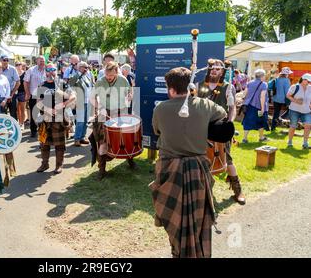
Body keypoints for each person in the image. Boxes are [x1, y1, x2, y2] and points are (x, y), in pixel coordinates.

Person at [150, 67, 227, 258]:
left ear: (170, 88)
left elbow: (157, 131)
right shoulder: (205, 105)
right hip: (197, 171)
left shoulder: (160, 108)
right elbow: (223, 115)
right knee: (198, 219)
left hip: (170, 170)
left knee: (174, 219)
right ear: (190, 86)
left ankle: (178, 252)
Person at [197, 59, 245, 205]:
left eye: (217, 69)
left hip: (220, 127)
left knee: (227, 159)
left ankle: (238, 190)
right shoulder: (199, 85)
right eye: (212, 68)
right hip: (201, 128)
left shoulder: (227, 87)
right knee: (200, 158)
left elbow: (232, 108)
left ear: (222, 71)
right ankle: (202, 191)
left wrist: (229, 123)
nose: (214, 71)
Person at [90, 61, 134, 180]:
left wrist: (130, 96)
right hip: (105, 112)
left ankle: (130, 161)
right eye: (107, 75)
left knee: (124, 138)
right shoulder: (100, 81)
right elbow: (92, 97)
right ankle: (102, 169)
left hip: (121, 112)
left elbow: (130, 92)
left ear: (116, 72)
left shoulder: (123, 80)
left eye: (111, 76)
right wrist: (98, 109)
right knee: (103, 141)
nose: (109, 78)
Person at [36, 63, 76, 174]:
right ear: (45, 72)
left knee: (60, 144)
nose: (51, 72)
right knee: (44, 144)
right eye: (48, 70)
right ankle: (44, 164)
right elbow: (38, 102)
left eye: (53, 69)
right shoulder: (42, 85)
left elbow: (73, 96)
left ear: (56, 71)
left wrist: (63, 104)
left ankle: (59, 165)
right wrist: (47, 109)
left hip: (59, 119)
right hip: (45, 118)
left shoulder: (62, 83)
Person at [242, 69, 269, 143]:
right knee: (261, 121)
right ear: (262, 76)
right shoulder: (264, 84)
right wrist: (263, 108)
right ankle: (261, 137)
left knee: (248, 121)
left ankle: (244, 138)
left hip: (249, 106)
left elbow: (244, 94)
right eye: (264, 75)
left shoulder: (250, 83)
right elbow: (262, 97)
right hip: (259, 107)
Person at [69, 61, 93, 146]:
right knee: (80, 121)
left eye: (87, 67)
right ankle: (77, 139)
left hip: (88, 101)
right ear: (79, 67)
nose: (86, 69)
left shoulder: (88, 76)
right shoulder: (76, 76)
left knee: (86, 121)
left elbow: (91, 87)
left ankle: (82, 137)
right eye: (84, 67)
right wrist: (79, 73)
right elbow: (71, 82)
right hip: (80, 101)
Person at [286, 73, 311, 149]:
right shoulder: (295, 87)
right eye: (308, 81)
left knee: (308, 125)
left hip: (306, 110)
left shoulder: (310, 88)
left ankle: (305, 143)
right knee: (293, 126)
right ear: (303, 79)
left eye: (309, 81)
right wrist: (296, 100)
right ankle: (290, 141)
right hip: (294, 110)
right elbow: (288, 95)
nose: (309, 82)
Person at [24, 56, 47, 137]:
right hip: (34, 95)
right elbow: (26, 82)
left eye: (43, 61)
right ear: (37, 61)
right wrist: (27, 93)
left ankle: (43, 130)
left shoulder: (47, 70)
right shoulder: (31, 70)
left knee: (44, 113)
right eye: (40, 61)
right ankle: (33, 131)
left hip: (45, 96)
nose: (42, 63)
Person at [268, 67, 293, 131]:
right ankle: (280, 118)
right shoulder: (286, 80)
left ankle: (273, 127)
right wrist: (289, 100)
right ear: (286, 74)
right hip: (283, 99)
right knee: (290, 110)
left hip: (275, 98)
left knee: (276, 113)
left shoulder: (277, 79)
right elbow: (287, 91)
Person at [0, 55, 20, 120]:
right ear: (0, 60)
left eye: (7, 60)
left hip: (12, 94)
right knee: (2, 114)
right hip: (1, 95)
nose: (6, 62)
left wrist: (12, 94)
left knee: (13, 113)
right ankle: (3, 129)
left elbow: (18, 82)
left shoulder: (12, 69)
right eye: (4, 60)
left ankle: (15, 129)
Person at [16, 62, 28, 130]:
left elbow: (27, 83)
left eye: (19, 65)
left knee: (22, 109)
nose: (18, 66)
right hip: (15, 93)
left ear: (22, 66)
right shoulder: (14, 73)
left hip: (23, 92)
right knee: (17, 109)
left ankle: (22, 123)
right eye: (16, 65)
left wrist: (27, 93)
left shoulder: (25, 73)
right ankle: (19, 122)